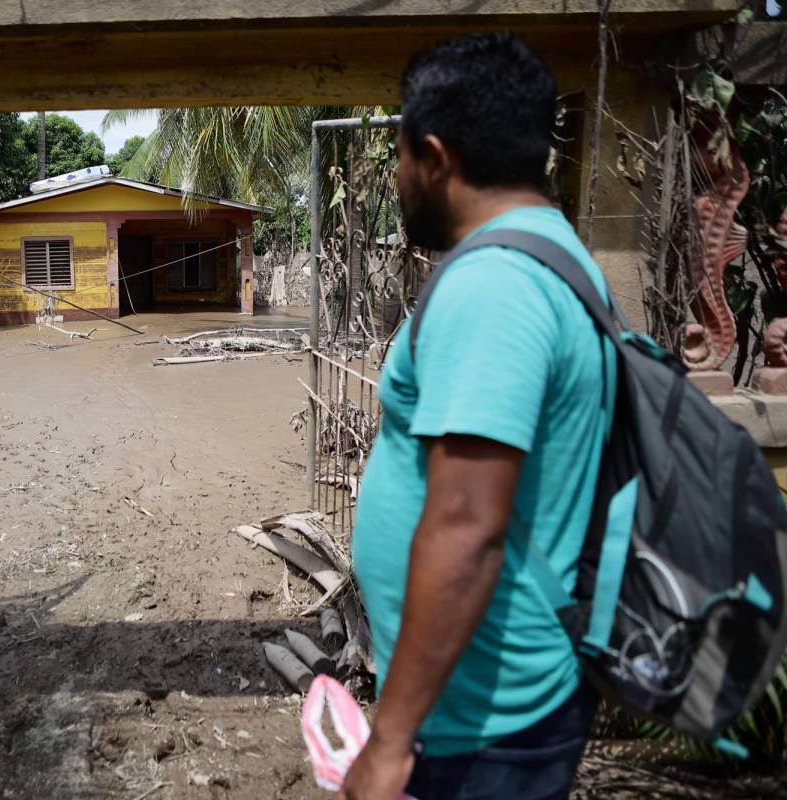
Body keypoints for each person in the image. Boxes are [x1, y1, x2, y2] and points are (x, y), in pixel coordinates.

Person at [338, 33, 615, 800]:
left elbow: (467, 525)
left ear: (434, 157)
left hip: (480, 728)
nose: (396, 179)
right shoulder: (555, 254)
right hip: (495, 704)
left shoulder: (493, 286)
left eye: (398, 156)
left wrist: (389, 742)